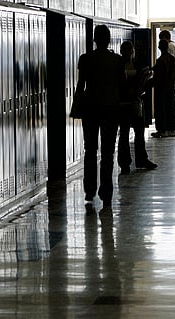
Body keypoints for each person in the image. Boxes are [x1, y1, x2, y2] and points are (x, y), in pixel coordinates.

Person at [74, 24, 125, 207]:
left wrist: (76, 106)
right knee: (108, 152)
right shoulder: (117, 61)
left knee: (90, 149)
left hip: (90, 108)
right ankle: (106, 190)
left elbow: (81, 85)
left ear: (94, 39)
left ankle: (89, 189)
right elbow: (122, 86)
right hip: (111, 108)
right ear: (109, 39)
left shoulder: (86, 59)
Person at [117, 41, 157, 175]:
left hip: (135, 102)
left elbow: (144, 80)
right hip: (122, 104)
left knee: (139, 133)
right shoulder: (117, 65)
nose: (128, 53)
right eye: (126, 50)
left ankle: (141, 160)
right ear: (122, 51)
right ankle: (124, 163)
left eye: (130, 50)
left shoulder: (138, 64)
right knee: (124, 134)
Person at [151, 30, 175, 138]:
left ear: (159, 48)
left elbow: (157, 75)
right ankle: (172, 129)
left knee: (160, 109)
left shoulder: (160, 60)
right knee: (171, 108)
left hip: (161, 88)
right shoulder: (172, 59)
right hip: (171, 86)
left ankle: (162, 130)